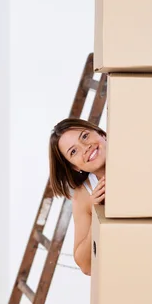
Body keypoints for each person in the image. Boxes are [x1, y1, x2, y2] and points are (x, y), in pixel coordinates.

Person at [49, 118, 107, 276]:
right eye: (73, 152)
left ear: (101, 134)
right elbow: (86, 267)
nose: (85, 148)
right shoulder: (84, 196)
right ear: (75, 166)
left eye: (85, 136)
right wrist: (97, 214)